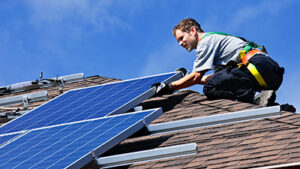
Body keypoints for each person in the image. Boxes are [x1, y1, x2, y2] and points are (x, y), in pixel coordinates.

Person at [154, 18, 284, 106]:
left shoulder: (205, 43)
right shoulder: (217, 43)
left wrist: (170, 87)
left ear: (193, 31)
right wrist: (186, 78)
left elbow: (197, 76)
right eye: (178, 41)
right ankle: (274, 106)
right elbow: (213, 78)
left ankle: (255, 97)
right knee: (216, 82)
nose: (181, 43)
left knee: (211, 89)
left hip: (257, 67)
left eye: (181, 38)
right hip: (270, 73)